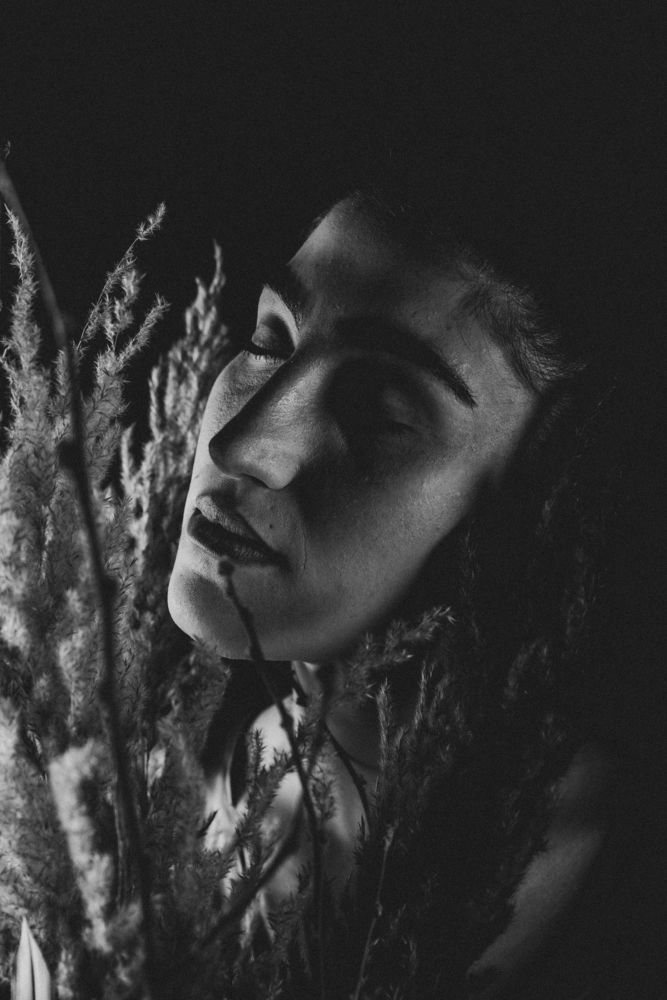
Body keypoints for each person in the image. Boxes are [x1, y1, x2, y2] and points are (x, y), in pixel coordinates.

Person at [167, 187, 658, 998]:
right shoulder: (209, 766)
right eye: (269, 339)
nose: (240, 443)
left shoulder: (624, 895)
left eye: (378, 411)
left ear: (541, 504)